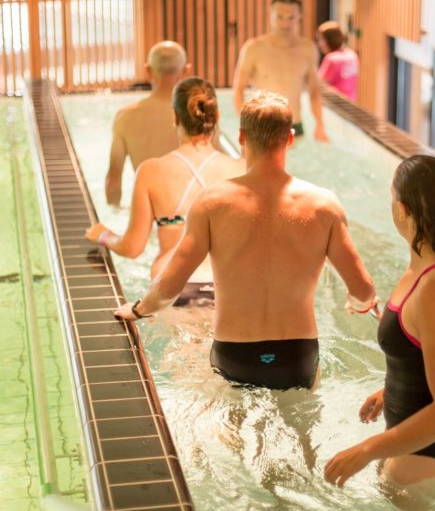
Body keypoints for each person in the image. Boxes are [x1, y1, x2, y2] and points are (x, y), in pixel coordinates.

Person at [114, 91, 376, 390]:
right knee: (304, 433)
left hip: (234, 352)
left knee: (232, 431)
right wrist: (360, 304)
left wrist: (137, 310)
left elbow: (170, 284)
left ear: (240, 137)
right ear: (290, 138)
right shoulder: (324, 205)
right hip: (298, 355)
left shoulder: (211, 203)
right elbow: (363, 289)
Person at [324, 156, 435, 489]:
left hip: (434, 457)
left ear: (403, 209)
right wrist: (394, 390)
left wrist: (364, 451)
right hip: (424, 450)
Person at [86, 77, 244, 298]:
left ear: (175, 118)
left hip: (175, 286)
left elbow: (133, 247)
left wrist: (103, 235)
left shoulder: (151, 171)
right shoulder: (241, 169)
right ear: (216, 117)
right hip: (229, 287)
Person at [232, 0, 328, 141]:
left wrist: (319, 124)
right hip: (263, 126)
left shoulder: (308, 49)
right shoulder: (253, 49)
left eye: (291, 17)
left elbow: (314, 91)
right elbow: (238, 89)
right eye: (280, 17)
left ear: (299, 17)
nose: (285, 23)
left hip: (295, 125)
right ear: (270, 15)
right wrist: (244, 125)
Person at [105, 41, 190, 205]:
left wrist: (115, 214)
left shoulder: (125, 118)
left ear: (149, 71)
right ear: (186, 71)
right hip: (188, 213)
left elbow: (114, 180)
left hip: (147, 214)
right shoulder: (198, 115)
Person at [316, 20, 359, 101]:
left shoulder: (332, 59)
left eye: (321, 39)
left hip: (335, 105)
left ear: (329, 39)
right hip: (350, 104)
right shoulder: (352, 55)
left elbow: (318, 85)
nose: (319, 44)